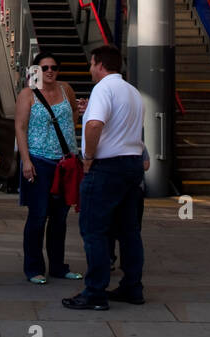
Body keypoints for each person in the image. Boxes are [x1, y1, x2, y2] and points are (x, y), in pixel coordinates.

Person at [62, 44, 146, 312]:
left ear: (99, 64)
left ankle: (95, 292)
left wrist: (88, 155)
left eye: (90, 64)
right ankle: (133, 287)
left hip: (107, 167)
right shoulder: (133, 92)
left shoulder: (103, 89)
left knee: (94, 230)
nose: (89, 69)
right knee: (129, 232)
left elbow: (95, 124)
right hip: (132, 165)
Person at [14, 53, 85, 283]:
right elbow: (20, 127)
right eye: (44, 68)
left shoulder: (66, 89)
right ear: (37, 70)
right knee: (38, 215)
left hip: (65, 162)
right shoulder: (28, 94)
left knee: (60, 217)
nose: (50, 72)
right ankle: (33, 268)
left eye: (54, 67)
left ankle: (58, 266)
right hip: (39, 161)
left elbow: (73, 112)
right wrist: (26, 160)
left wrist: (67, 132)